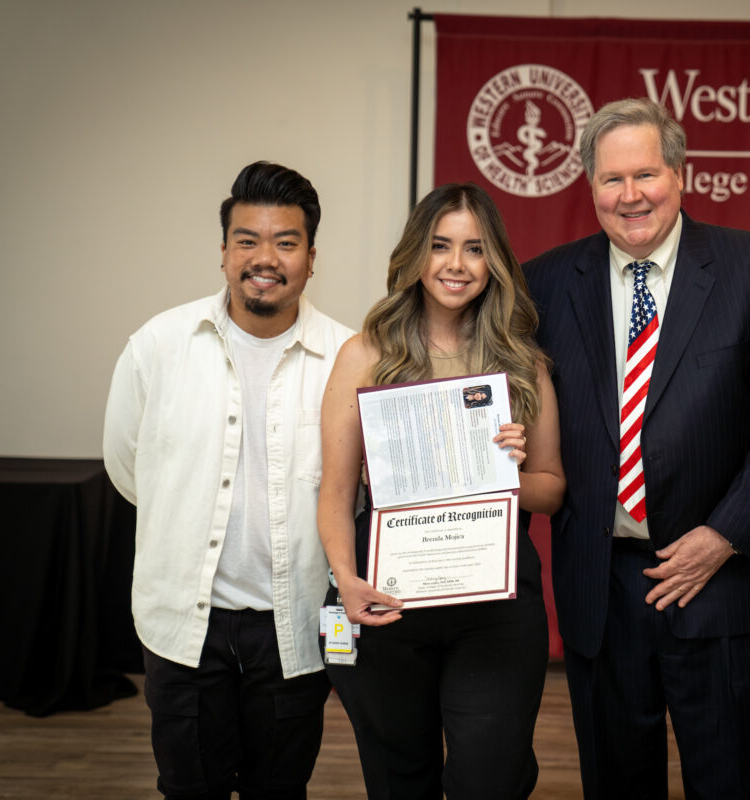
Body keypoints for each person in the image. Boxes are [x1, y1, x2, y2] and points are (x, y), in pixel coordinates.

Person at [524, 98, 750, 799]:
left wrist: (721, 537)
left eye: (646, 174)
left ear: (681, 175)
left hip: (717, 578)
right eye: (611, 179)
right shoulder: (541, 283)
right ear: (589, 187)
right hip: (600, 586)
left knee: (737, 781)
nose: (631, 195)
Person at [103, 161, 353, 799]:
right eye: (247, 240)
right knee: (189, 789)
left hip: (293, 627)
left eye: (285, 242)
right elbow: (129, 469)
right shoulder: (159, 345)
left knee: (279, 791)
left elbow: (361, 492)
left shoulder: (351, 358)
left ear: (311, 257)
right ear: (223, 252)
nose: (264, 258)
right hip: (186, 628)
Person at [316, 182, 565, 800]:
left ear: (495, 262)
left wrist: (509, 469)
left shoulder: (522, 362)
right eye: (440, 246)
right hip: (389, 604)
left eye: (475, 249)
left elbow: (551, 490)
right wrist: (346, 580)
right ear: (415, 256)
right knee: (400, 779)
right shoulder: (365, 355)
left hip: (495, 612)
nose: (457, 264)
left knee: (492, 777)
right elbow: (336, 491)